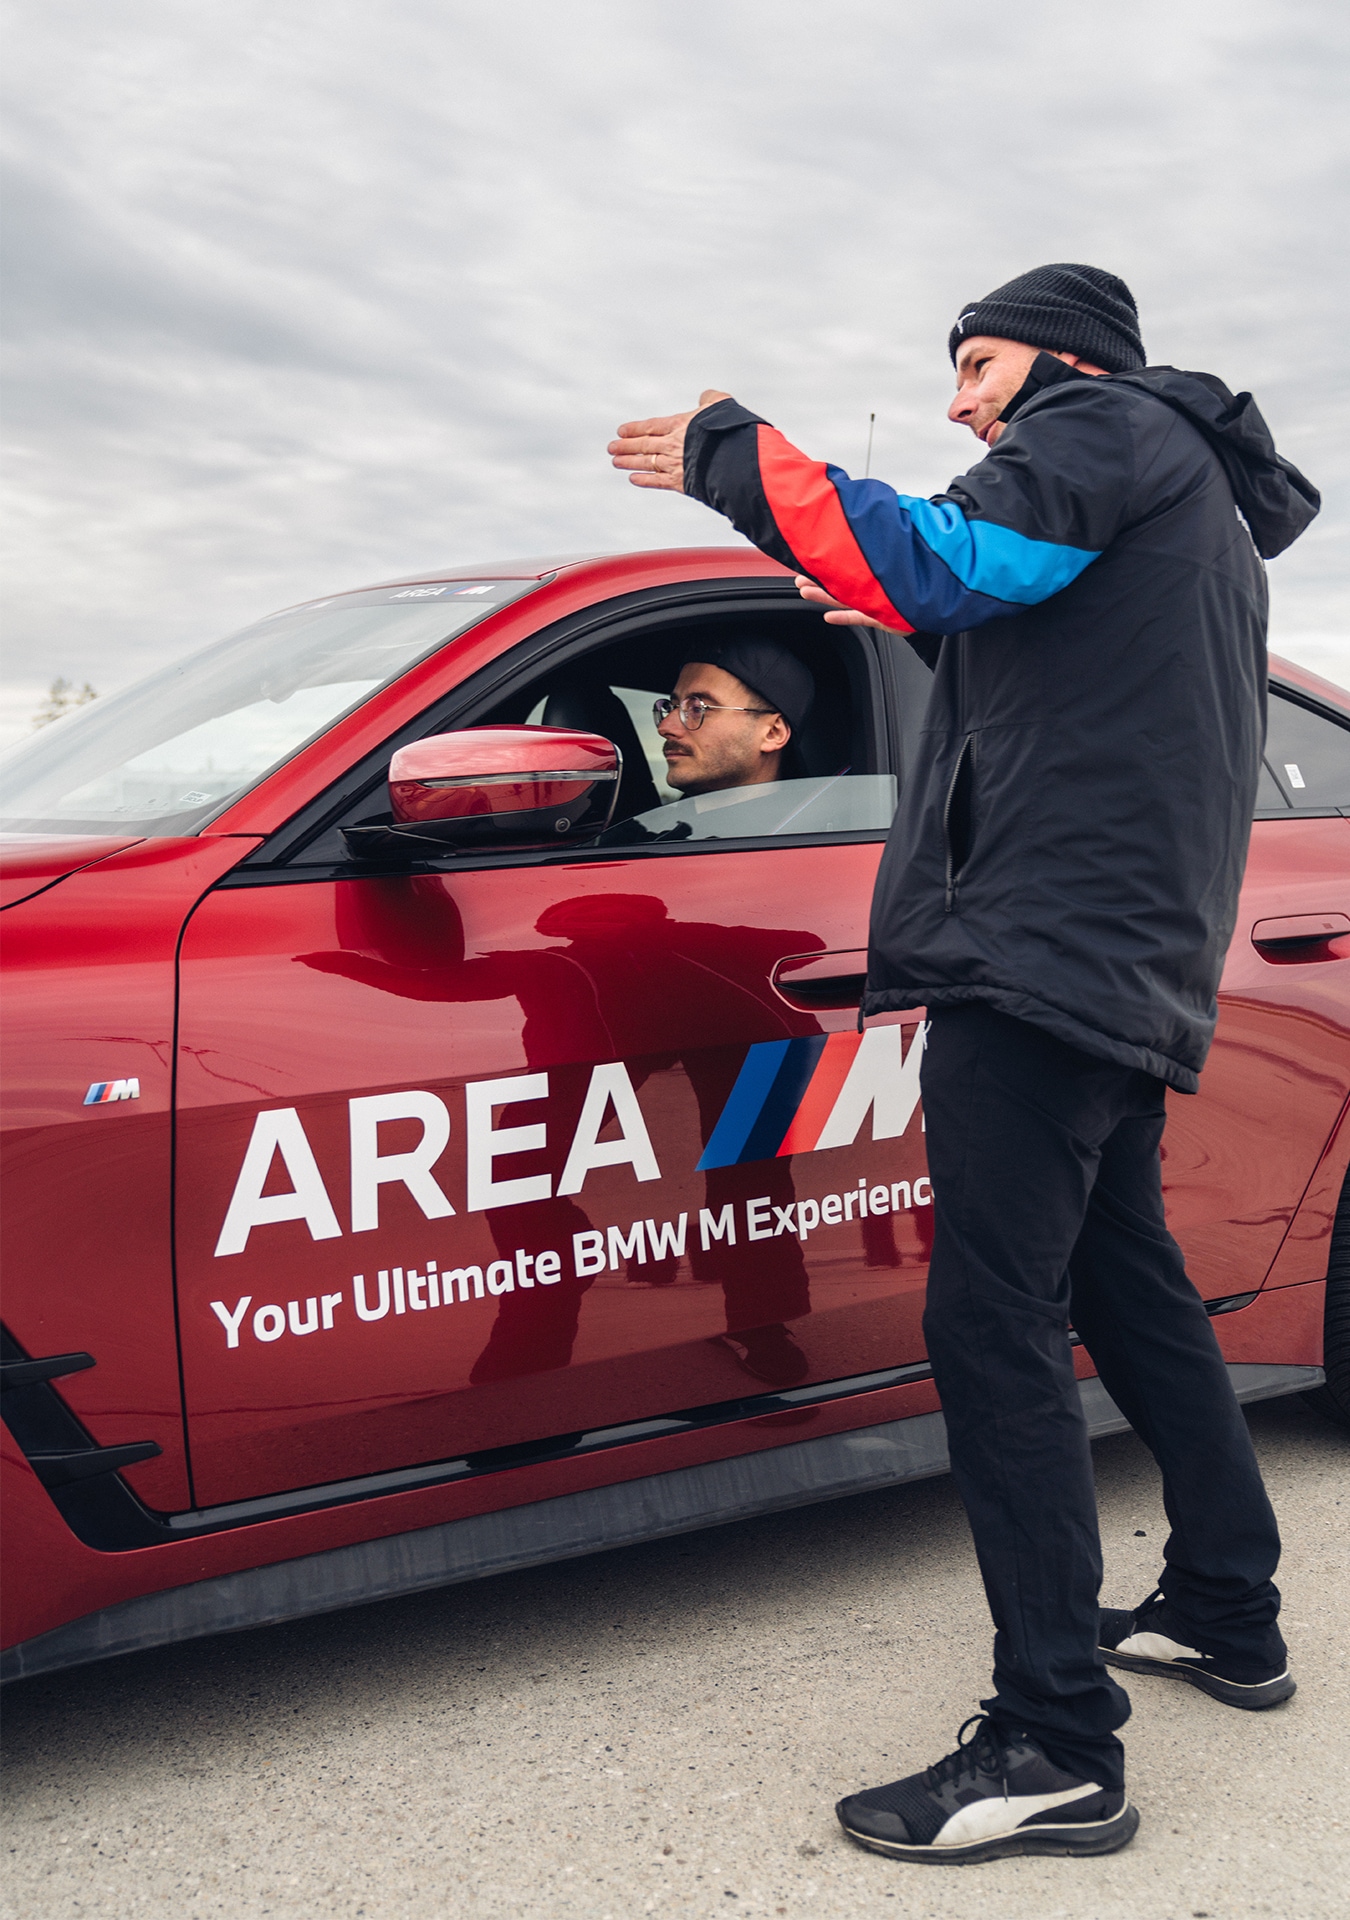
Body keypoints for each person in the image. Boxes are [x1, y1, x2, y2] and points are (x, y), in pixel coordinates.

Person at [607, 262, 1320, 1865]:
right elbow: (1009, 631)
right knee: (1125, 1280)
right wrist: (861, 585)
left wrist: (737, 450)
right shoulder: (1166, 487)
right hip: (1112, 954)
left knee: (988, 1325)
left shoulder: (1096, 433)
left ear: (1054, 359)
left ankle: (1055, 1740)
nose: (956, 401)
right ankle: (1225, 1604)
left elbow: (938, 561)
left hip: (1039, 960)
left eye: (974, 366)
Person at [654, 639, 813, 796]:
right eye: (671, 707)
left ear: (773, 733)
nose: (665, 728)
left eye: (697, 708)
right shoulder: (655, 820)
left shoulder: (811, 821)